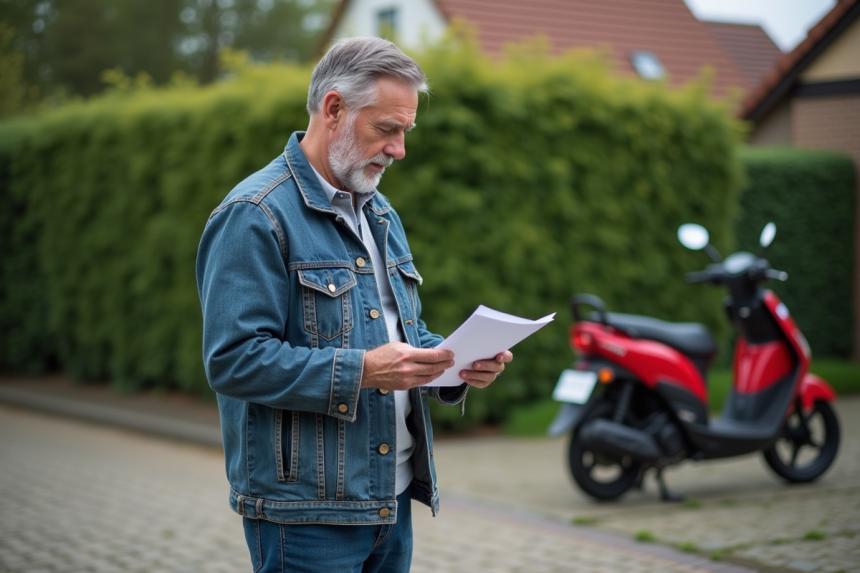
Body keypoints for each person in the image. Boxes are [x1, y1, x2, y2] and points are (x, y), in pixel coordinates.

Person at [196, 37, 513, 572]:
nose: (399, 149)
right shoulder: (254, 213)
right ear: (334, 109)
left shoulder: (380, 212)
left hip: (392, 500)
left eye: (406, 131)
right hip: (306, 517)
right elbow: (233, 360)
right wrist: (364, 371)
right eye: (387, 129)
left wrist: (455, 364)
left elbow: (399, 332)